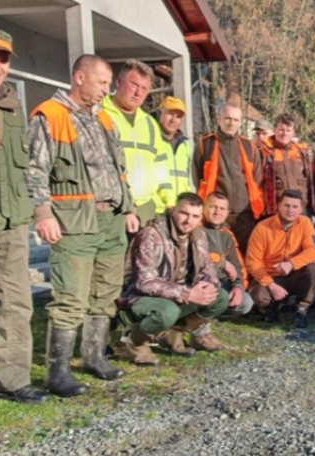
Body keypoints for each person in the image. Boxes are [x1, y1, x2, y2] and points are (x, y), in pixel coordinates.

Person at [27, 54, 139, 397]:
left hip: (111, 220)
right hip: (74, 222)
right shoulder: (51, 116)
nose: (107, 90)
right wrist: (43, 214)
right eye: (102, 82)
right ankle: (57, 371)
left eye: (108, 83)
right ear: (79, 77)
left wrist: (129, 208)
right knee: (71, 297)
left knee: (104, 294)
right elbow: (34, 170)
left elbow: (119, 170)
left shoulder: (104, 119)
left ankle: (93, 356)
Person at [0, 29, 47, 404]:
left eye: (3, 58)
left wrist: (36, 211)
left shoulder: (13, 107)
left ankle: (10, 379)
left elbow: (25, 168)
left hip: (11, 221)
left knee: (15, 301)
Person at [118, 193, 229, 364]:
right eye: (184, 213)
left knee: (219, 297)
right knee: (167, 312)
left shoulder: (198, 234)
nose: (188, 221)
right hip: (139, 297)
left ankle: (175, 333)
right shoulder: (151, 235)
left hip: (176, 293)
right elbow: (144, 283)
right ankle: (136, 340)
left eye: (195, 216)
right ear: (172, 211)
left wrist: (208, 286)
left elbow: (208, 266)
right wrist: (186, 293)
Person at [102, 60, 169, 225]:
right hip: (112, 209)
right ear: (118, 82)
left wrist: (167, 202)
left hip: (146, 209)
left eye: (144, 88)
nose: (138, 93)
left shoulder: (150, 124)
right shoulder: (100, 116)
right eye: (134, 85)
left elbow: (160, 166)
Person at [193, 103, 263, 255]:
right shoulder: (205, 144)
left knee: (246, 255)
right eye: (227, 118)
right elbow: (197, 178)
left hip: (244, 214)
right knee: (218, 256)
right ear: (219, 119)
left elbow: (257, 179)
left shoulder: (249, 147)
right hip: (217, 213)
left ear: (240, 122)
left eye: (236, 120)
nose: (231, 123)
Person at [246, 190, 315, 329]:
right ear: (278, 206)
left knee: (312, 269)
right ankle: (272, 306)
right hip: (271, 276)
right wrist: (271, 285)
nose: (290, 210)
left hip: (296, 273)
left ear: (301, 209)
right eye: (286, 205)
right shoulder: (262, 227)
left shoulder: (305, 223)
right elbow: (252, 261)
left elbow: (313, 251)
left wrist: (291, 264)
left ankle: (302, 308)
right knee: (257, 297)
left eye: (295, 206)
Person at [203, 193, 255, 317]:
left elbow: (237, 264)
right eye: (213, 207)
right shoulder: (195, 229)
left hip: (222, 282)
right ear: (204, 208)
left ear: (227, 213)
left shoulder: (227, 234)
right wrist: (222, 262)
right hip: (200, 281)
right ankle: (197, 317)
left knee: (246, 303)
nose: (217, 212)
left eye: (222, 209)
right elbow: (198, 257)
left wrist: (238, 287)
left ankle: (214, 312)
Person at [259, 113, 315, 216]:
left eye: (288, 130)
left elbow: (311, 181)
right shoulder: (265, 153)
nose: (284, 133)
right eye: (281, 129)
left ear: (293, 133)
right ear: (274, 130)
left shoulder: (302, 152)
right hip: (276, 210)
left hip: (301, 210)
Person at [156, 96, 194, 210]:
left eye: (178, 116)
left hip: (180, 210)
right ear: (160, 114)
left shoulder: (186, 145)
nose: (173, 119)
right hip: (157, 209)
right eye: (170, 114)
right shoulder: (150, 140)